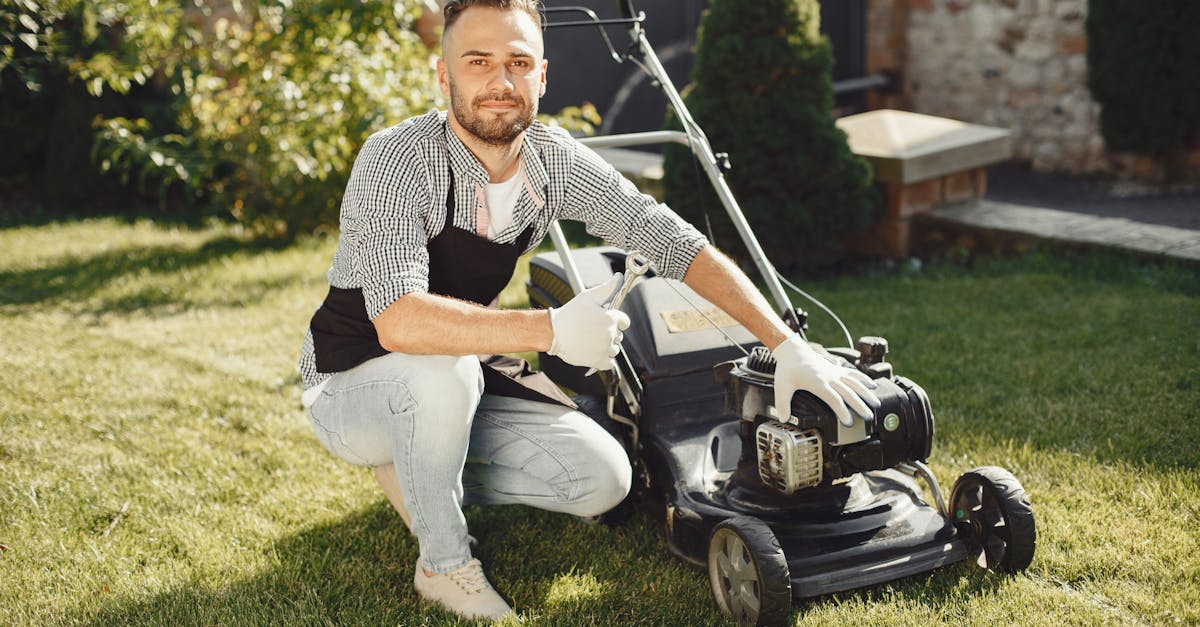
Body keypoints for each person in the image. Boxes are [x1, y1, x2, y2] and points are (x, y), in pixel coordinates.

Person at [297, 0, 880, 621]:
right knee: (443, 372)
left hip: (455, 373)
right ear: (444, 78)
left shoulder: (554, 161)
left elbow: (674, 241)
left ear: (542, 77)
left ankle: (418, 462)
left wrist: (785, 343)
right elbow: (400, 321)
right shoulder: (397, 159)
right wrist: (550, 330)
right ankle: (444, 565)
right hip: (350, 376)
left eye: (519, 62)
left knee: (603, 480)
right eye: (478, 62)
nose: (500, 82)